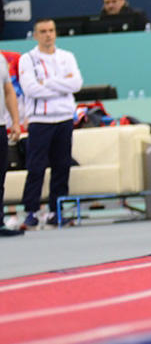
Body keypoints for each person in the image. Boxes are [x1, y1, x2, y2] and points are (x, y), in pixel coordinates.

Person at [18, 19, 82, 229]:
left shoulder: (67, 57)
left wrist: (48, 82)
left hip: (63, 118)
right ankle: (31, 211)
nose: (48, 35)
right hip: (40, 120)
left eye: (51, 30)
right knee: (35, 167)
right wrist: (62, 85)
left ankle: (56, 211)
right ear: (35, 35)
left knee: (62, 166)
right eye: (43, 31)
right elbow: (31, 90)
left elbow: (76, 84)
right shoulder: (27, 59)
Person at [1, 52, 23, 236]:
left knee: (0, 176)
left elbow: (8, 91)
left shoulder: (0, 59)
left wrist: (15, 121)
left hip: (0, 125)